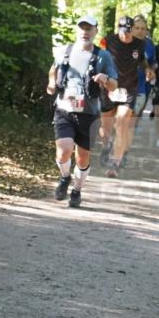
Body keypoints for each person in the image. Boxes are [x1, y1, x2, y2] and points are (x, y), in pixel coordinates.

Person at [46, 15, 117, 208]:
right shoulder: (64, 51)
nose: (85, 32)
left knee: (82, 157)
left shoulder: (103, 56)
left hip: (89, 113)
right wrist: (52, 84)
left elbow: (114, 84)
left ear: (95, 31)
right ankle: (64, 177)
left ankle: (77, 190)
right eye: (82, 28)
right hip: (64, 109)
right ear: (77, 30)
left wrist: (105, 79)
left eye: (89, 28)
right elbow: (53, 69)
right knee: (64, 151)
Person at [97, 15, 152, 177]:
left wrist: (148, 70)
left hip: (129, 89)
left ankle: (115, 163)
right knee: (106, 126)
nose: (126, 35)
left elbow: (142, 61)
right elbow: (99, 60)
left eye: (129, 32)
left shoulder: (139, 44)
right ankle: (106, 145)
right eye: (124, 32)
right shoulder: (107, 41)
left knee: (122, 122)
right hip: (109, 87)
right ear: (118, 29)